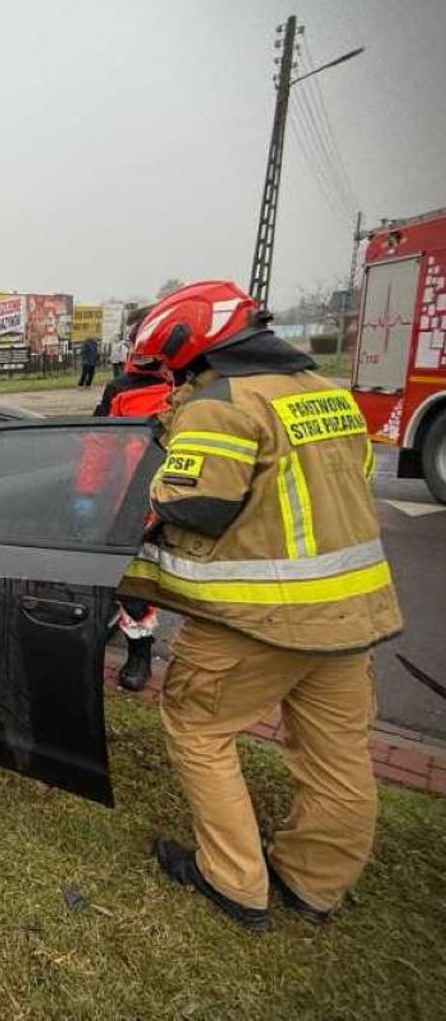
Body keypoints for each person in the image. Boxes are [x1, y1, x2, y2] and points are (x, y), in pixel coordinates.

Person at [119, 281, 401, 931]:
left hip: (259, 618)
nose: (177, 378)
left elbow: (196, 505)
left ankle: (234, 879)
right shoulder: (330, 396)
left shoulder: (222, 404)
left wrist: (149, 497)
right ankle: (314, 883)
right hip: (349, 613)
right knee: (336, 754)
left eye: (175, 367)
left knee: (197, 726)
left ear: (196, 345)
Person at [89, 314, 175, 692]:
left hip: (177, 498)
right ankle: (136, 648)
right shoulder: (121, 389)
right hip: (130, 496)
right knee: (130, 580)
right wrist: (88, 492)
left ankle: (142, 650)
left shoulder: (200, 390)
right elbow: (99, 443)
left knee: (169, 583)